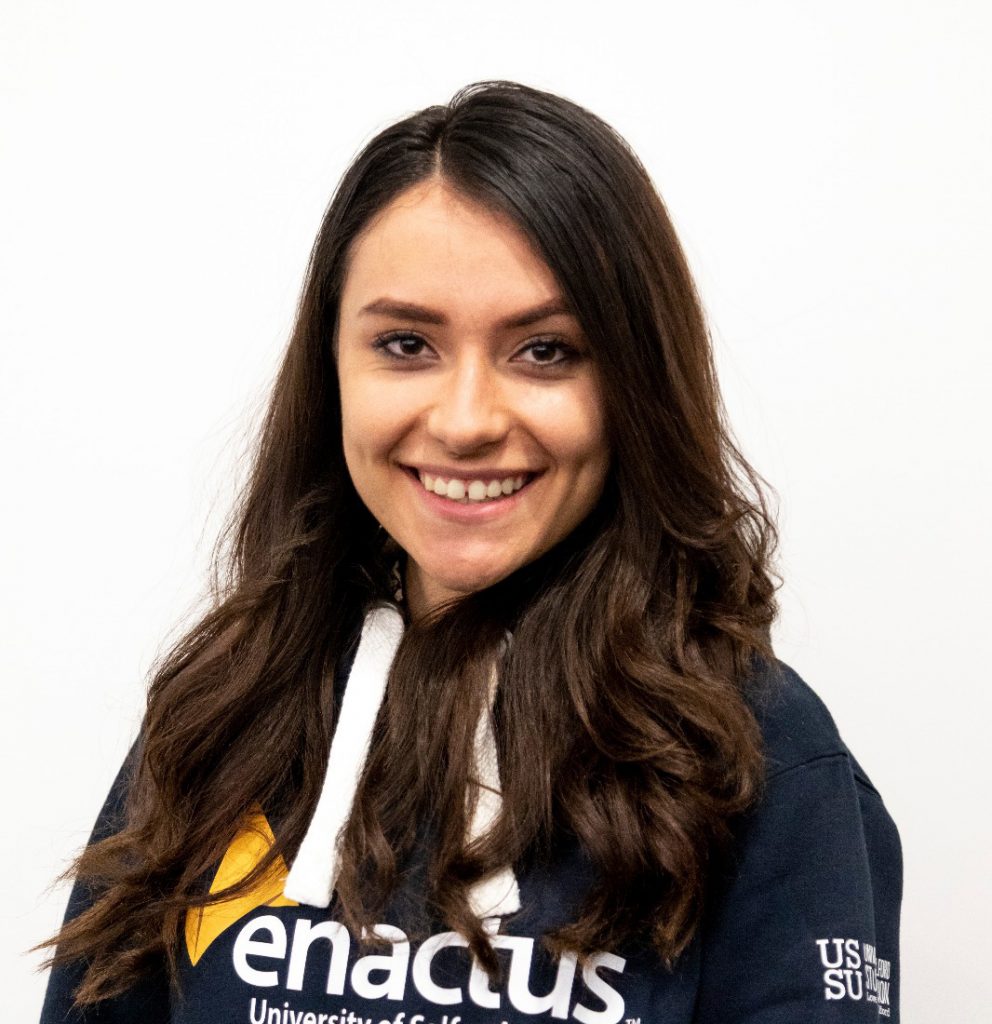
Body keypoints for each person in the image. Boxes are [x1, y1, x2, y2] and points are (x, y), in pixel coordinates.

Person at [38, 80, 902, 1023]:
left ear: (635, 385)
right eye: (407, 343)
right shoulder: (226, 715)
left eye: (544, 351)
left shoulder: (759, 760)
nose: (465, 422)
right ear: (333, 374)